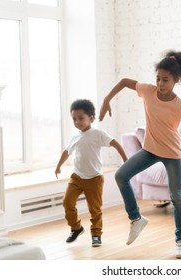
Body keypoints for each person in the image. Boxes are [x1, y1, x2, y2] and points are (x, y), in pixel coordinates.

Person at [99, 50, 181, 259]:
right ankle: (136, 219)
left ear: (176, 80)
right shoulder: (148, 91)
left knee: (176, 196)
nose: (160, 83)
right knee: (121, 176)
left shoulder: (179, 105)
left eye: (165, 80)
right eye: (158, 78)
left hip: (172, 153)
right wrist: (106, 99)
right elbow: (124, 82)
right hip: (149, 149)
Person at [55, 99, 128, 247]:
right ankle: (76, 228)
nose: (77, 122)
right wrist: (58, 166)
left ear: (91, 118)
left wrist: (126, 160)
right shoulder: (75, 137)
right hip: (77, 177)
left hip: (94, 178)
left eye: (81, 118)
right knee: (67, 202)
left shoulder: (97, 134)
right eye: (74, 119)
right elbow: (66, 152)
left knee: (94, 209)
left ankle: (96, 234)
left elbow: (115, 143)